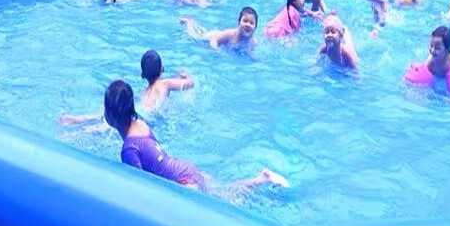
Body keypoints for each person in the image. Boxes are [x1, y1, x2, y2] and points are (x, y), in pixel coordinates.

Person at [104, 80, 289, 192]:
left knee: (226, 196)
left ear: (111, 115)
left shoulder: (129, 149)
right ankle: (261, 178)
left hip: (183, 182)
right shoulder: (141, 125)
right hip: (184, 169)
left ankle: (262, 179)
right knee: (222, 188)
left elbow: (138, 186)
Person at [59, 49, 193, 128]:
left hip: (140, 111)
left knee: (107, 119)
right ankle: (86, 128)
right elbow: (190, 84)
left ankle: (82, 119)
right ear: (162, 68)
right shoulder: (165, 84)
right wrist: (186, 76)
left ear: (142, 75)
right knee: (109, 127)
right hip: (146, 117)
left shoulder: (146, 91)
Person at [180, 7, 258, 52]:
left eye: (251, 23)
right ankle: (189, 22)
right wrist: (216, 51)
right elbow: (214, 40)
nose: (248, 25)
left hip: (221, 39)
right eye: (245, 21)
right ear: (239, 23)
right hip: (212, 37)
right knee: (195, 36)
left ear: (255, 27)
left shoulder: (253, 42)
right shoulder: (230, 34)